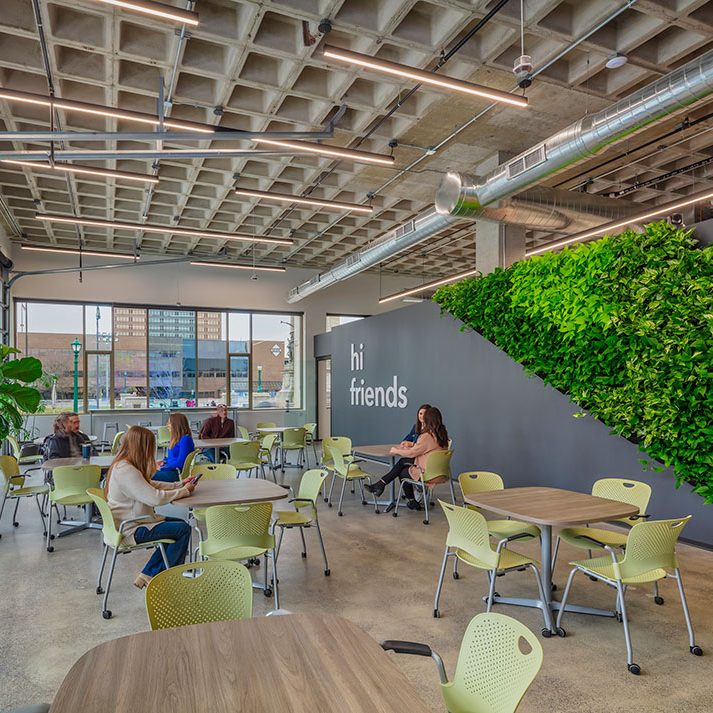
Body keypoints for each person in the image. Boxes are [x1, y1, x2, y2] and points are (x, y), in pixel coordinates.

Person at [104, 426, 194, 589]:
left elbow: (150, 484)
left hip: (132, 522)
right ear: (142, 446)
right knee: (182, 529)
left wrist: (179, 484)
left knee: (179, 526)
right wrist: (183, 491)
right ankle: (165, 579)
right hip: (130, 528)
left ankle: (150, 574)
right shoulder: (126, 471)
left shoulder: (124, 465)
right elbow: (154, 498)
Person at [365, 406, 449, 511]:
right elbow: (424, 448)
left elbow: (412, 453)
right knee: (403, 463)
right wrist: (412, 444)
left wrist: (396, 451)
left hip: (428, 472)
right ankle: (381, 485)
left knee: (402, 471)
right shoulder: (443, 434)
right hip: (440, 471)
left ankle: (408, 499)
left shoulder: (427, 436)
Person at [153, 413, 195, 482]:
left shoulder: (185, 439)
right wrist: (164, 461)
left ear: (176, 425)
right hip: (171, 470)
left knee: (145, 474)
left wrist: (162, 468)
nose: (167, 425)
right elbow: (174, 458)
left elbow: (180, 464)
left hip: (175, 473)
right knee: (145, 472)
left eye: (169, 423)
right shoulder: (179, 439)